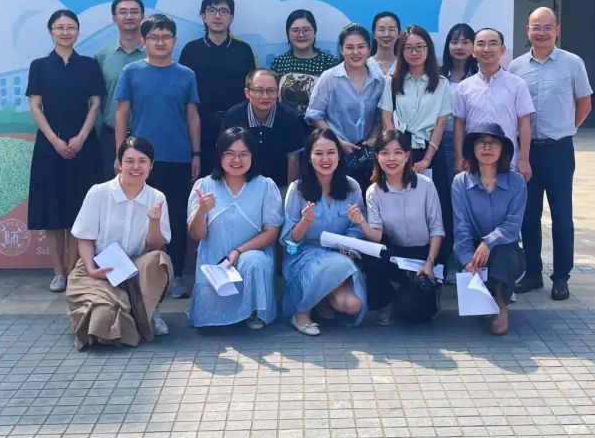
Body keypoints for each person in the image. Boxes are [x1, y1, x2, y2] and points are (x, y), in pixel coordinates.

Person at [509, 7, 592, 301]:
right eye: (536, 27)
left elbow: (585, 103)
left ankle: (561, 277)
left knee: (562, 216)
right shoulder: (516, 67)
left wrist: (567, 128)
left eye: (547, 27)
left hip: (559, 150)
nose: (541, 32)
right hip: (527, 151)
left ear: (557, 30)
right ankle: (533, 272)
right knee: (528, 215)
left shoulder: (573, 63)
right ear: (527, 30)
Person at [115, 14, 201, 300]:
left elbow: (192, 116)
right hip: (140, 161)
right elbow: (122, 114)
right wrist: (121, 155)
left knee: (175, 218)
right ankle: (141, 275)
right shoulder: (131, 71)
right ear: (144, 41)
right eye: (154, 37)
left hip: (178, 157)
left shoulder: (186, 74)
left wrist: (196, 153)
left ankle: (175, 276)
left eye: (166, 37)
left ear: (174, 41)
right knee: (139, 216)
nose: (160, 42)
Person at [66, 136, 173, 349]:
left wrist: (154, 221)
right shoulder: (99, 193)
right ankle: (117, 311)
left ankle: (149, 312)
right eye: (129, 161)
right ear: (119, 164)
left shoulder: (157, 197)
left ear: (151, 165)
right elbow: (85, 237)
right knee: (104, 319)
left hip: (135, 269)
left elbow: (155, 245)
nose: (136, 167)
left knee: (160, 259)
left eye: (142, 161)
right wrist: (91, 269)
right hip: (99, 268)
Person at [26, 9, 106, 293]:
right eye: (59, 27)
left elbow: (95, 104)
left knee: (79, 211)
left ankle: (74, 271)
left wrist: (81, 137)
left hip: (84, 146)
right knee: (52, 212)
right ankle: (58, 272)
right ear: (51, 32)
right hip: (50, 147)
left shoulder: (89, 65)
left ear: (77, 31)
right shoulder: (39, 66)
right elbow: (35, 105)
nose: (65, 32)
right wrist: (54, 140)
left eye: (71, 27)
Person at [187, 127, 283, 330]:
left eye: (243, 154)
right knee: (211, 320)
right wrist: (201, 211)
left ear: (252, 156)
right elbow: (197, 235)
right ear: (219, 155)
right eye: (229, 153)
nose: (236, 160)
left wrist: (239, 251)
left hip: (250, 255)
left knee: (253, 260)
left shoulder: (265, 186)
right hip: (216, 263)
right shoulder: (204, 186)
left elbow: (271, 233)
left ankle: (254, 311)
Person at [280, 129, 373, 335]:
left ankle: (322, 300)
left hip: (340, 253)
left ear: (339, 155)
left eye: (331, 152)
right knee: (336, 265)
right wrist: (305, 222)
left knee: (352, 305)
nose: (325, 159)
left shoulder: (352, 187)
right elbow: (289, 242)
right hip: (305, 254)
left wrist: (347, 243)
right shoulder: (297, 189)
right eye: (318, 153)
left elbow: (356, 228)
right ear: (309, 157)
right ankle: (301, 314)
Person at [352, 130, 444, 325]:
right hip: (395, 253)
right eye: (385, 153)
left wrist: (429, 261)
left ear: (407, 155)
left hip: (424, 254)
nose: (391, 159)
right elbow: (376, 236)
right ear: (377, 156)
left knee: (411, 314)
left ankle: (427, 290)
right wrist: (361, 222)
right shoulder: (374, 191)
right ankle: (385, 301)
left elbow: (437, 228)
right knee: (368, 255)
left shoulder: (426, 185)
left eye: (398, 153)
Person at [452, 123, 527, 336]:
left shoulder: (516, 181)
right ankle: (485, 298)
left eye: (493, 143)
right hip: (473, 249)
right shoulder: (460, 182)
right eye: (481, 143)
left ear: (503, 149)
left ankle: (501, 306)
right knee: (474, 260)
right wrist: (468, 259)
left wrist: (489, 242)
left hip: (506, 247)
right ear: (473, 149)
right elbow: (461, 225)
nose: (487, 147)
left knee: (503, 255)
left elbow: (513, 226)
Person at [379, 25, 454, 237]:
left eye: (420, 47)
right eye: (409, 48)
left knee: (435, 203)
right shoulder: (392, 81)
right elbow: (386, 117)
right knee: (400, 201)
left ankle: (438, 253)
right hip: (399, 150)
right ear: (401, 51)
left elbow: (441, 123)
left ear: (428, 49)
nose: (415, 52)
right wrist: (396, 151)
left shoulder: (441, 83)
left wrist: (427, 159)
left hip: (430, 150)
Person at [179, 0, 256, 172]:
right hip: (200, 126)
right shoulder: (191, 50)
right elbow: (183, 95)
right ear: (203, 16)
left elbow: (252, 91)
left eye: (223, 11)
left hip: (237, 124)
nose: (217, 16)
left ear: (231, 18)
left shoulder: (243, 50)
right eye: (212, 10)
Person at [306, 24, 384, 190]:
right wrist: (337, 141)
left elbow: (380, 116)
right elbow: (314, 115)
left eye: (361, 47)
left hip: (367, 157)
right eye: (349, 47)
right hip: (335, 155)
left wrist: (373, 139)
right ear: (341, 50)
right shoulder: (329, 78)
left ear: (369, 49)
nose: (355, 52)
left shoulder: (379, 80)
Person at [452, 28, 534, 178]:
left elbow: (524, 124)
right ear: (473, 51)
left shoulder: (517, 84)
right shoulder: (464, 87)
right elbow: (459, 124)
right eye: (481, 44)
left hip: (508, 161)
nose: (486, 49)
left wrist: (524, 159)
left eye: (493, 43)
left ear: (502, 50)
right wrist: (459, 157)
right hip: (473, 162)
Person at [221, 68, 306, 189]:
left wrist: (289, 194)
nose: (265, 96)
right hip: (242, 186)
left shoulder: (289, 117)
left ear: (278, 93)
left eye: (271, 90)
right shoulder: (234, 116)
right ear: (247, 93)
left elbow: (293, 160)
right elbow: (225, 155)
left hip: (279, 187)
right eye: (259, 90)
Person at [94, 0, 145, 179]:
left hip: (145, 135)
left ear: (143, 17)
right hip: (110, 137)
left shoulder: (155, 55)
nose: (129, 16)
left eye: (134, 12)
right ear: (114, 18)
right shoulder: (101, 56)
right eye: (123, 12)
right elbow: (96, 101)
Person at [270, 9, 339, 118]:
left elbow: (337, 100)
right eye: (295, 30)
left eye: (306, 30)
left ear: (314, 32)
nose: (301, 34)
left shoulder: (329, 62)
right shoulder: (279, 62)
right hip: (285, 123)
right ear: (288, 33)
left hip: (321, 125)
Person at [440, 23, 478, 182]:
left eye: (465, 42)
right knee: (446, 184)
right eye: (454, 42)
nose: (459, 47)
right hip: (441, 138)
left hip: (472, 137)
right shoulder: (438, 75)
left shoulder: (480, 75)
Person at [369, 11, 400, 76]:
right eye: (381, 30)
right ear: (374, 34)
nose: (386, 34)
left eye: (391, 30)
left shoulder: (403, 65)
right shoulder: (365, 65)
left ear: (398, 34)